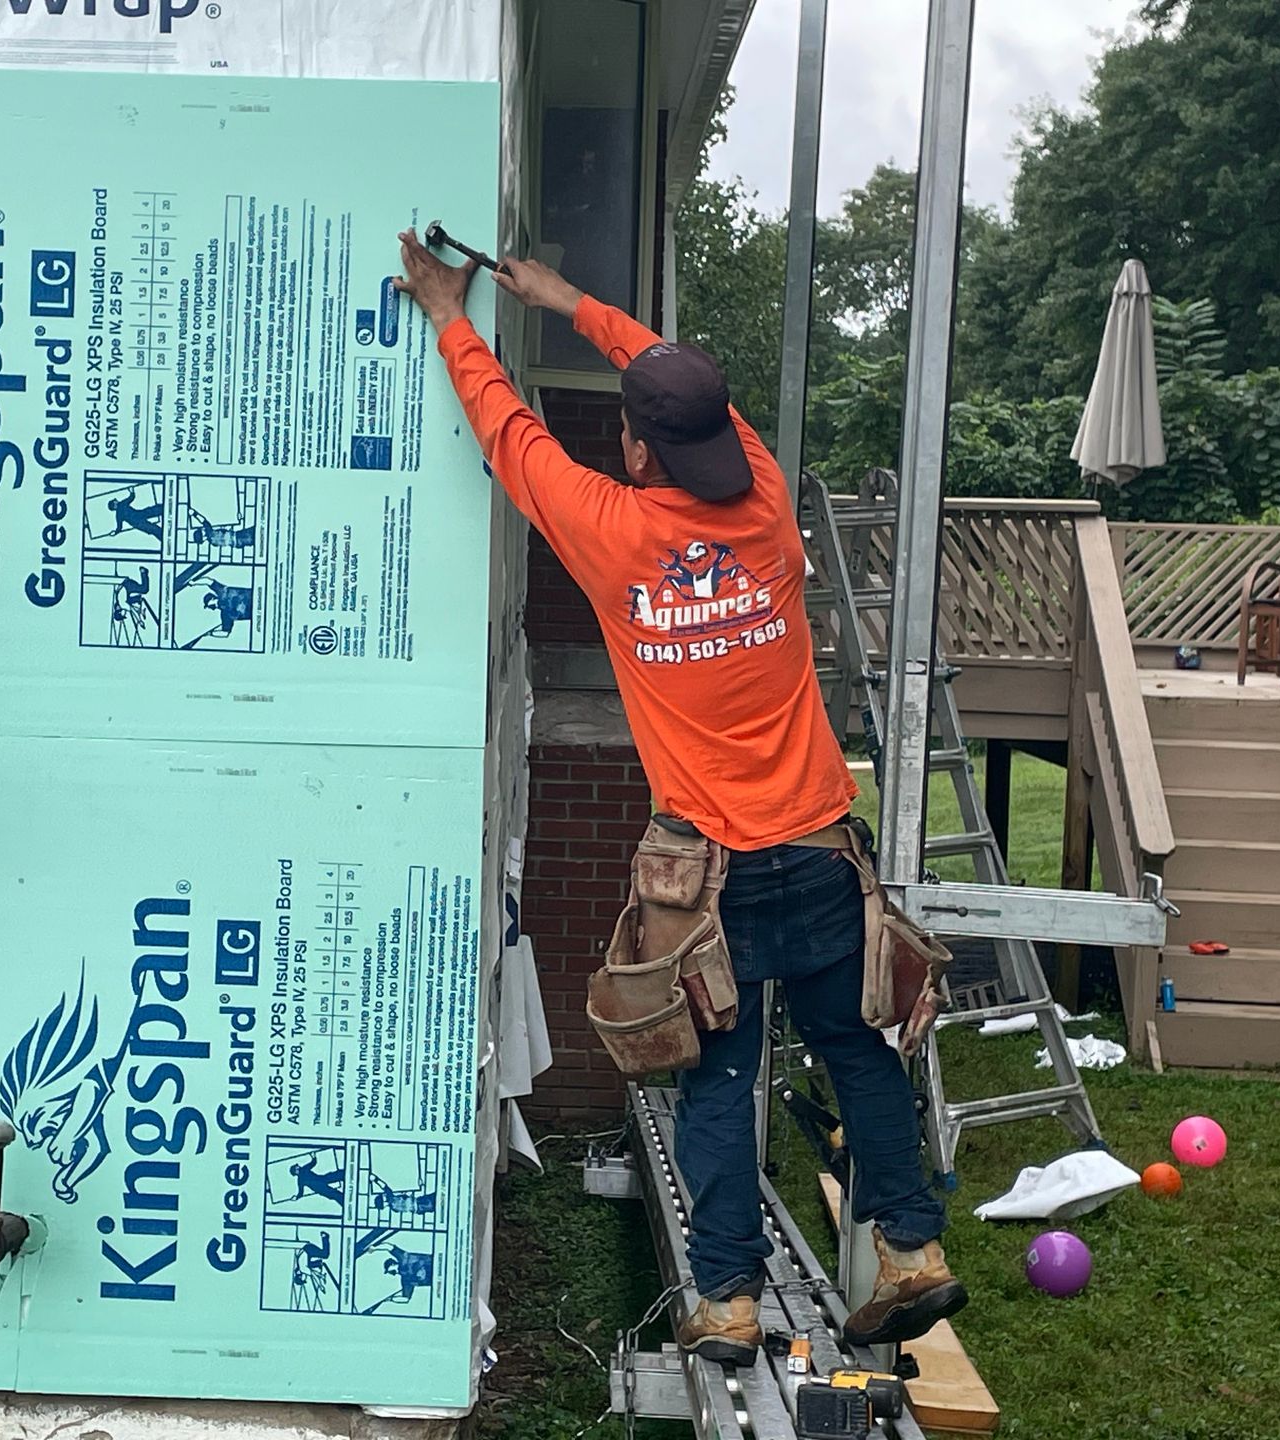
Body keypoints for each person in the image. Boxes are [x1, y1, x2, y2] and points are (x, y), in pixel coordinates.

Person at [394, 230, 967, 1362]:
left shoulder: (611, 534)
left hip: (704, 875)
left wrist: (451, 313)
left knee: (719, 1077)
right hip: (818, 850)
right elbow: (669, 364)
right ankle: (912, 1252)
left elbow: (508, 435)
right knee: (857, 1050)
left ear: (638, 452)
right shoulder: (759, 498)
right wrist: (572, 298)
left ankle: (729, 1303)